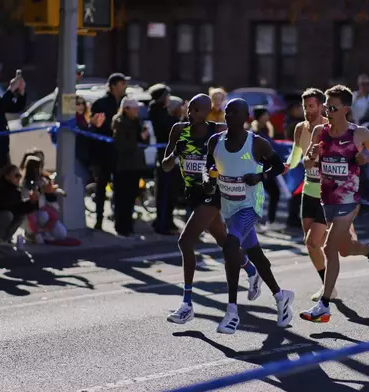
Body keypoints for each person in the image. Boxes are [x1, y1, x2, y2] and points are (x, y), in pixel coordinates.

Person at [163, 94, 263, 324]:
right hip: (193, 195)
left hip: (215, 194)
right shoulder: (179, 131)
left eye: (197, 110)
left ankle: (187, 304)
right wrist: (175, 154)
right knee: (223, 241)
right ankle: (251, 270)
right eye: (190, 109)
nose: (191, 114)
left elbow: (242, 142)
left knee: (185, 242)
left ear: (206, 112)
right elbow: (166, 166)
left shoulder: (217, 132)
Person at [203, 98, 294, 334]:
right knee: (255, 253)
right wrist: (209, 178)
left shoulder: (257, 144)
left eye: (232, 112)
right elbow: (208, 168)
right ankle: (280, 295)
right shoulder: (215, 142)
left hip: (251, 205)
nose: (227, 115)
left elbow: (277, 167)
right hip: (228, 206)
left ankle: (232, 311)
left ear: (245, 118)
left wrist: (259, 177)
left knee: (231, 246)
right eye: (226, 112)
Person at [299, 85, 369, 323]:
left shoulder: (359, 134)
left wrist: (366, 158)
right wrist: (312, 156)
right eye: (326, 105)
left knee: (328, 248)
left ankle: (324, 305)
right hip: (326, 199)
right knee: (345, 249)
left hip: (350, 201)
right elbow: (307, 164)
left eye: (332, 106)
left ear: (345, 109)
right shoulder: (319, 131)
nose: (326, 110)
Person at [285, 88, 335, 301]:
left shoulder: (330, 128)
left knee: (314, 241)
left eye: (311, 106)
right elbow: (296, 155)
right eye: (304, 106)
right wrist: (287, 164)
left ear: (322, 106)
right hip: (308, 191)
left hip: (326, 193)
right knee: (311, 244)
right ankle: (327, 284)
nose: (307, 111)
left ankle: (329, 286)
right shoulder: (300, 128)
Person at [90, 73, 129, 230]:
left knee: (121, 188)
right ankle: (99, 219)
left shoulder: (126, 103)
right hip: (104, 152)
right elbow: (95, 125)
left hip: (121, 153)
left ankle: (119, 220)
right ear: (113, 85)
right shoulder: (101, 103)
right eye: (122, 84)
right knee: (101, 187)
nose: (124, 87)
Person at [149, 83, 183, 235]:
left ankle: (166, 221)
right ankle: (163, 225)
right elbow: (172, 128)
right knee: (165, 193)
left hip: (169, 156)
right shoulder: (158, 113)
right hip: (165, 157)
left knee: (171, 193)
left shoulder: (163, 113)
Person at [112, 97, 148, 237]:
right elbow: (122, 145)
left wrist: (144, 136)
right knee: (122, 196)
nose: (137, 111)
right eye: (134, 108)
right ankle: (121, 226)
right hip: (124, 165)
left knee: (132, 195)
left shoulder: (137, 122)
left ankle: (129, 224)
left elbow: (144, 141)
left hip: (136, 165)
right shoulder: (119, 122)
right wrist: (138, 138)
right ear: (126, 109)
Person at [21, 156, 67, 244]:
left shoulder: (43, 179)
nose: (38, 170)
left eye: (40, 167)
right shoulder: (26, 183)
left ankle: (45, 232)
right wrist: (39, 191)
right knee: (43, 215)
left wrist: (58, 191)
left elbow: (50, 190)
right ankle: (31, 234)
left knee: (62, 234)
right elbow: (27, 199)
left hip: (46, 212)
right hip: (32, 214)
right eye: (36, 167)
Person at [250, 106, 281, 231]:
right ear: (259, 116)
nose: (267, 117)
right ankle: (254, 223)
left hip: (268, 168)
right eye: (265, 114)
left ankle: (270, 221)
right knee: (258, 196)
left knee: (274, 193)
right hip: (258, 168)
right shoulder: (254, 131)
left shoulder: (267, 129)